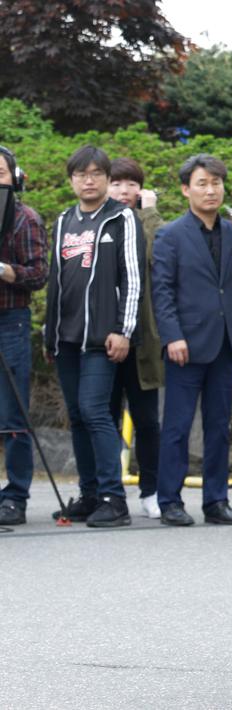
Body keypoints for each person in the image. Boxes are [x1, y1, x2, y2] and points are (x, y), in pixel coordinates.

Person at [151, 155, 232, 527]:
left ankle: (216, 501)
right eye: (202, 183)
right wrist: (172, 337)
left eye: (216, 183)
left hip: (226, 344)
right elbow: (162, 291)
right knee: (177, 427)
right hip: (185, 345)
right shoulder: (170, 234)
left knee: (219, 427)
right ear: (186, 189)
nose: (210, 190)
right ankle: (169, 500)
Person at [44, 145, 142, 528]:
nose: (89, 180)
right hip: (65, 338)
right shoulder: (64, 220)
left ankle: (113, 498)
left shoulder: (122, 219)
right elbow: (56, 280)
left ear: (106, 178)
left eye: (96, 174)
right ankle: (88, 495)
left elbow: (132, 279)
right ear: (71, 180)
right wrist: (48, 333)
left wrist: (123, 329)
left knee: (95, 411)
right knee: (77, 416)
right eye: (81, 174)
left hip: (104, 338)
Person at [106, 157, 164, 519]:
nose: (125, 191)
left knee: (146, 420)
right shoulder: (101, 222)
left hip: (144, 337)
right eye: (117, 183)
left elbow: (157, 256)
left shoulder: (149, 222)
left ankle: (151, 489)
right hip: (104, 336)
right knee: (105, 417)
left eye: (132, 184)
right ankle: (104, 490)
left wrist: (151, 214)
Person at [0, 146, 49, 526]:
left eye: (0, 172)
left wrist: (5, 270)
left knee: (12, 412)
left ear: (15, 177)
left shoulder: (24, 218)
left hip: (10, 321)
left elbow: (39, 275)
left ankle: (15, 495)